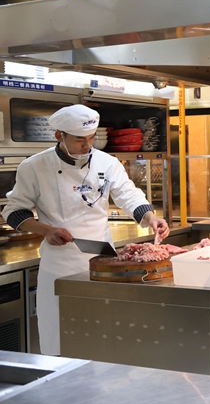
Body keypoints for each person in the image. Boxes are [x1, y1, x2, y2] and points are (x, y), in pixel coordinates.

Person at [2, 105, 170, 356]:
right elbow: (14, 212)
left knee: (104, 338)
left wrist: (151, 217)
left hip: (103, 264)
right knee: (60, 338)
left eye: (91, 138)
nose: (87, 145)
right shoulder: (34, 166)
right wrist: (46, 230)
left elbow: (128, 195)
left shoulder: (107, 162)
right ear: (59, 136)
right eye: (80, 139)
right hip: (59, 266)